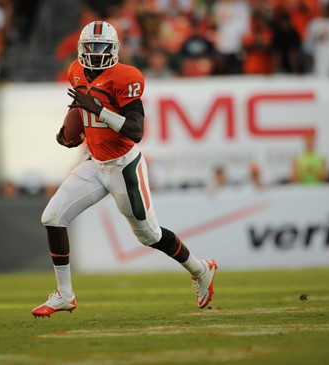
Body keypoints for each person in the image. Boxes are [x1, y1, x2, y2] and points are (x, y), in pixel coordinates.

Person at [32, 21, 217, 318]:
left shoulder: (126, 77)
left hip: (123, 165)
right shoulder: (75, 71)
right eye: (89, 47)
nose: (94, 53)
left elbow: (135, 130)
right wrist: (66, 133)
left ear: (114, 49)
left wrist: (99, 110)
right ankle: (64, 294)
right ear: (81, 48)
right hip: (94, 163)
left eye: (100, 48)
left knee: (149, 235)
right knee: (52, 217)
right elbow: (78, 106)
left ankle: (200, 269)